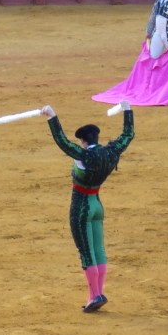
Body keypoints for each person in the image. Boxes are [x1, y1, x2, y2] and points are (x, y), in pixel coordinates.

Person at [38, 100, 134, 313]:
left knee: (86, 252)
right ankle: (97, 294)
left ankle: (95, 295)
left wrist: (52, 117)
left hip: (81, 207)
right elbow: (128, 135)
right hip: (97, 206)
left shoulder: (83, 155)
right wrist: (127, 111)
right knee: (99, 249)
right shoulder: (111, 152)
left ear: (82, 141)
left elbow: (62, 142)